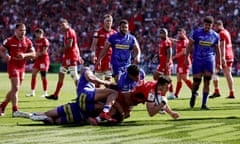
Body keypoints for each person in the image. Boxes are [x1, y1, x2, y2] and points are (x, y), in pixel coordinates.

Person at [185, 16, 221, 110]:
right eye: (206, 25)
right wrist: (186, 57)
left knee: (207, 81)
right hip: (197, 60)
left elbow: (218, 50)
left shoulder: (215, 36)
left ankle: (204, 104)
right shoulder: (196, 33)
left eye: (209, 25)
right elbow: (189, 46)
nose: (207, 27)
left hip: (209, 61)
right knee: (196, 82)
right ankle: (193, 94)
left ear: (212, 25)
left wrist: (219, 62)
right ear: (203, 24)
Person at [0, 23, 36, 117]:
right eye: (20, 30)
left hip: (22, 67)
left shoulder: (28, 41)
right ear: (15, 31)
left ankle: (2, 106)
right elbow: (1, 50)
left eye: (24, 30)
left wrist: (25, 55)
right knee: (15, 88)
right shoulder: (9, 41)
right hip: (13, 65)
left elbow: (33, 53)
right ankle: (15, 110)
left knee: (15, 89)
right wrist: (5, 56)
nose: (23, 32)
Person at [46, 18, 84, 100]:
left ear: (67, 24)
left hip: (71, 57)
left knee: (74, 76)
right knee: (61, 73)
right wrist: (79, 55)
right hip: (68, 57)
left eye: (63, 25)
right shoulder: (68, 32)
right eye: (60, 25)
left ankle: (81, 95)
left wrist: (58, 52)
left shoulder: (69, 32)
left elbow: (69, 45)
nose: (62, 27)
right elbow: (76, 45)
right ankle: (55, 95)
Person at [209, 20, 235, 99]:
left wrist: (222, 57)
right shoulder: (226, 32)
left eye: (215, 26)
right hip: (230, 55)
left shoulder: (221, 33)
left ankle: (217, 91)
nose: (214, 28)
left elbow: (222, 46)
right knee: (227, 74)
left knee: (214, 73)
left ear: (220, 25)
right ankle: (231, 92)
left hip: (223, 56)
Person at [90, 14, 117, 87]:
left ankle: (106, 96)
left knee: (108, 81)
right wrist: (93, 55)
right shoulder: (98, 32)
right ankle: (97, 97)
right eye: (107, 21)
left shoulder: (114, 33)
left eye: (110, 21)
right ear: (104, 22)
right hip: (100, 58)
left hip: (109, 58)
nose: (109, 22)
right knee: (97, 82)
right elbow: (94, 45)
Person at [26, 28, 50, 97]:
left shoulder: (45, 40)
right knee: (33, 74)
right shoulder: (36, 41)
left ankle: (45, 93)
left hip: (44, 60)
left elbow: (44, 52)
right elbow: (37, 51)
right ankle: (32, 92)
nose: (37, 35)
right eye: (36, 34)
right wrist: (34, 56)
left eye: (38, 34)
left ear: (41, 33)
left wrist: (34, 56)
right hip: (38, 60)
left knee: (43, 76)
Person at [169, 28, 192, 99]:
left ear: (184, 33)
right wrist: (167, 38)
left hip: (184, 62)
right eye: (178, 33)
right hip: (180, 63)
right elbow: (175, 41)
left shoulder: (185, 41)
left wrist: (173, 57)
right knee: (179, 78)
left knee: (185, 78)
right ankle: (176, 94)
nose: (179, 35)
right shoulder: (180, 41)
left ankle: (194, 91)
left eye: (180, 33)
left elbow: (184, 52)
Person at [153, 28, 174, 98]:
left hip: (166, 64)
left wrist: (168, 63)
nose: (162, 34)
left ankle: (166, 95)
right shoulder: (161, 42)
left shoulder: (167, 42)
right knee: (156, 76)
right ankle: (162, 91)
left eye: (164, 33)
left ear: (166, 34)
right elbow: (161, 52)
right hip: (162, 63)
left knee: (166, 79)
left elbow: (169, 53)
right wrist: (156, 56)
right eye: (161, 33)